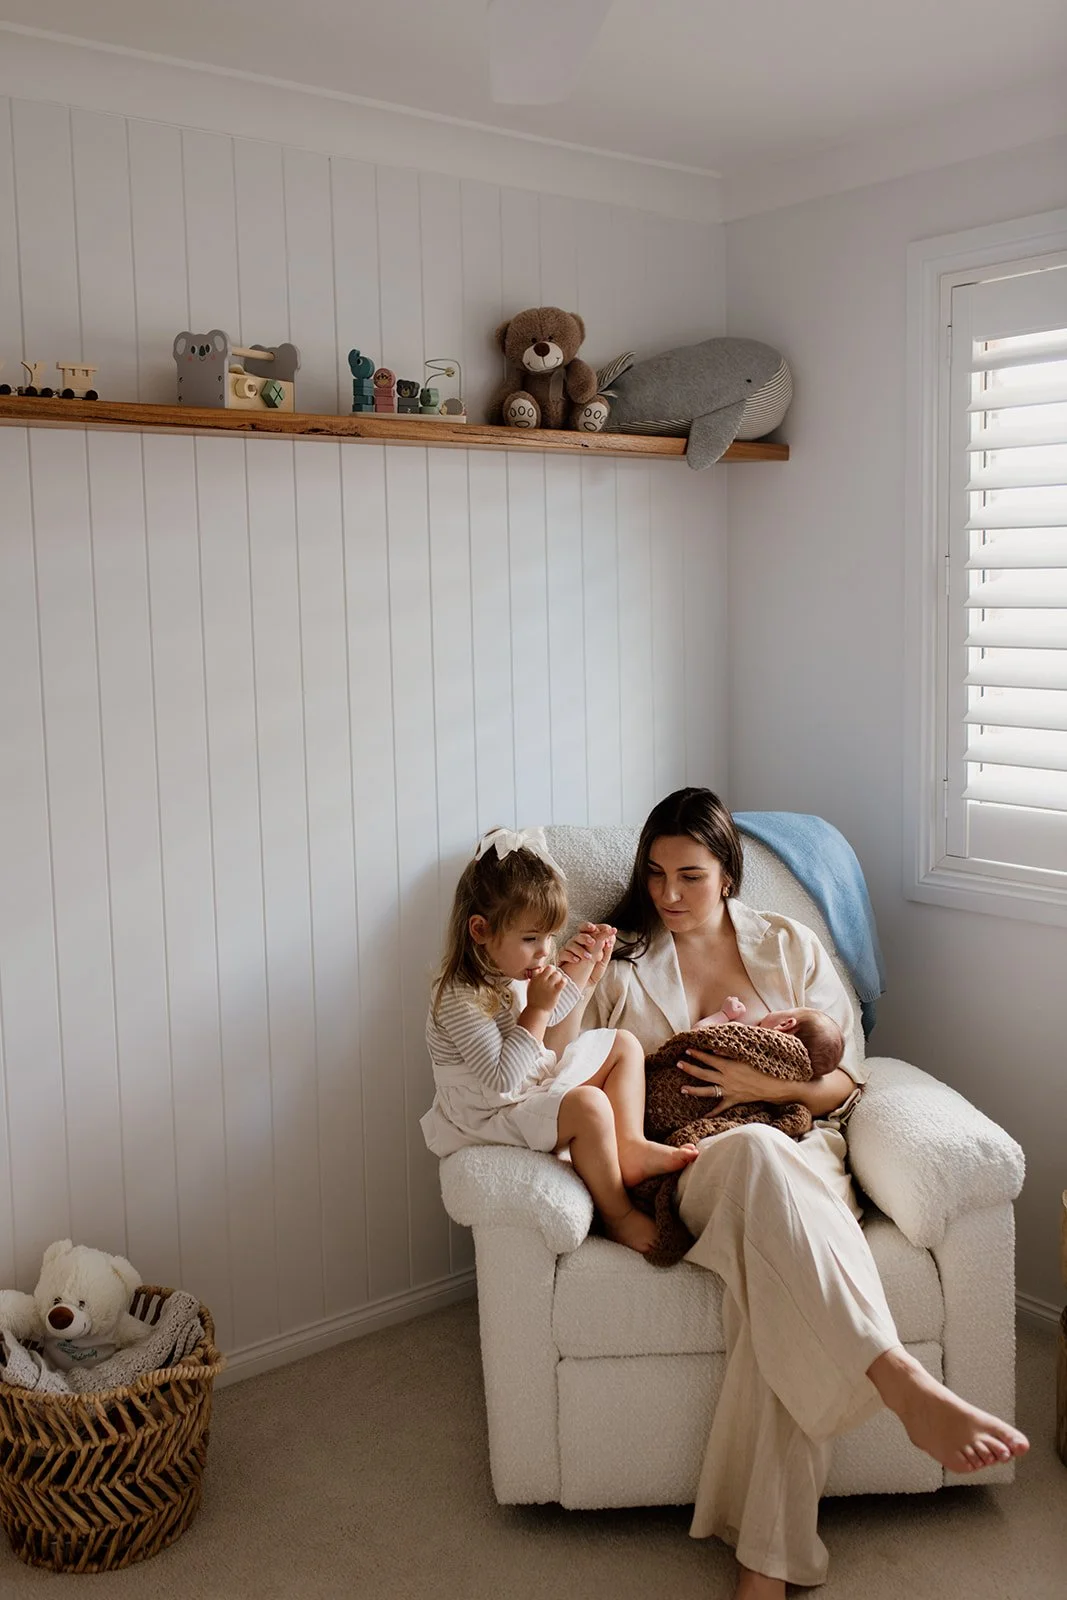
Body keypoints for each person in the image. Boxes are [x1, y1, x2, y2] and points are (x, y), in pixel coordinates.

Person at [555, 788, 1028, 1600]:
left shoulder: (787, 946)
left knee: (775, 1294)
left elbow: (846, 1077)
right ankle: (898, 1381)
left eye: (691, 876)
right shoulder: (622, 964)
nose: (668, 894)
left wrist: (755, 1081)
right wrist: (566, 989)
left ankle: (765, 1567)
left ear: (728, 876)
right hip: (693, 1171)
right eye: (656, 874)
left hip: (802, 1156)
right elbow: (558, 1076)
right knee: (749, 1153)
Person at [420, 825, 697, 1254]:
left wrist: (586, 971)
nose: (545, 952)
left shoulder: (507, 970)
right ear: (479, 930)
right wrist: (537, 1008)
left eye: (550, 937)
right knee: (588, 1106)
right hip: (487, 1116)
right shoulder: (459, 997)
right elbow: (501, 1080)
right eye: (531, 939)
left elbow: (554, 1030)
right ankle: (619, 1214)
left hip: (522, 1088)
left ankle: (630, 1148)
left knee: (622, 1043)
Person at [690, 1000, 846, 1080]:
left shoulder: (745, 1039)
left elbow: (697, 1035)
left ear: (785, 1024)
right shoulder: (780, 1080)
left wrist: (724, 1014)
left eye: (785, 1010)